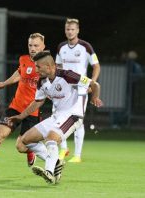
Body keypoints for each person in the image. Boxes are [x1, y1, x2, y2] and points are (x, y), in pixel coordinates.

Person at [8, 51, 103, 184]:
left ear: (49, 66)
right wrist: (20, 116)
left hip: (73, 116)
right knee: (25, 140)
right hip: (57, 116)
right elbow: (38, 101)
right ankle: (55, 162)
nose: (36, 70)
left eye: (38, 67)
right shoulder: (42, 81)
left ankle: (49, 172)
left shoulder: (67, 75)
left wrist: (94, 97)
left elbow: (94, 84)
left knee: (52, 138)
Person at [0, 33, 46, 179]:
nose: (33, 48)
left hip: (32, 112)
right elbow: (19, 73)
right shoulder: (23, 59)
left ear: (43, 46)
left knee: (20, 147)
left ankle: (31, 151)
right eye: (30, 45)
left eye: (36, 45)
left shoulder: (47, 65)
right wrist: (3, 84)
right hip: (15, 107)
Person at [55, 18, 101, 163]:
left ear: (78, 30)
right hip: (64, 90)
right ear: (65, 30)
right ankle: (63, 149)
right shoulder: (61, 47)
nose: (70, 32)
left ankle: (77, 155)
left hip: (80, 89)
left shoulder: (86, 47)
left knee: (77, 120)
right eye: (68, 29)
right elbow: (58, 67)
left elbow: (96, 66)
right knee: (58, 118)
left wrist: (91, 83)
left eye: (72, 29)